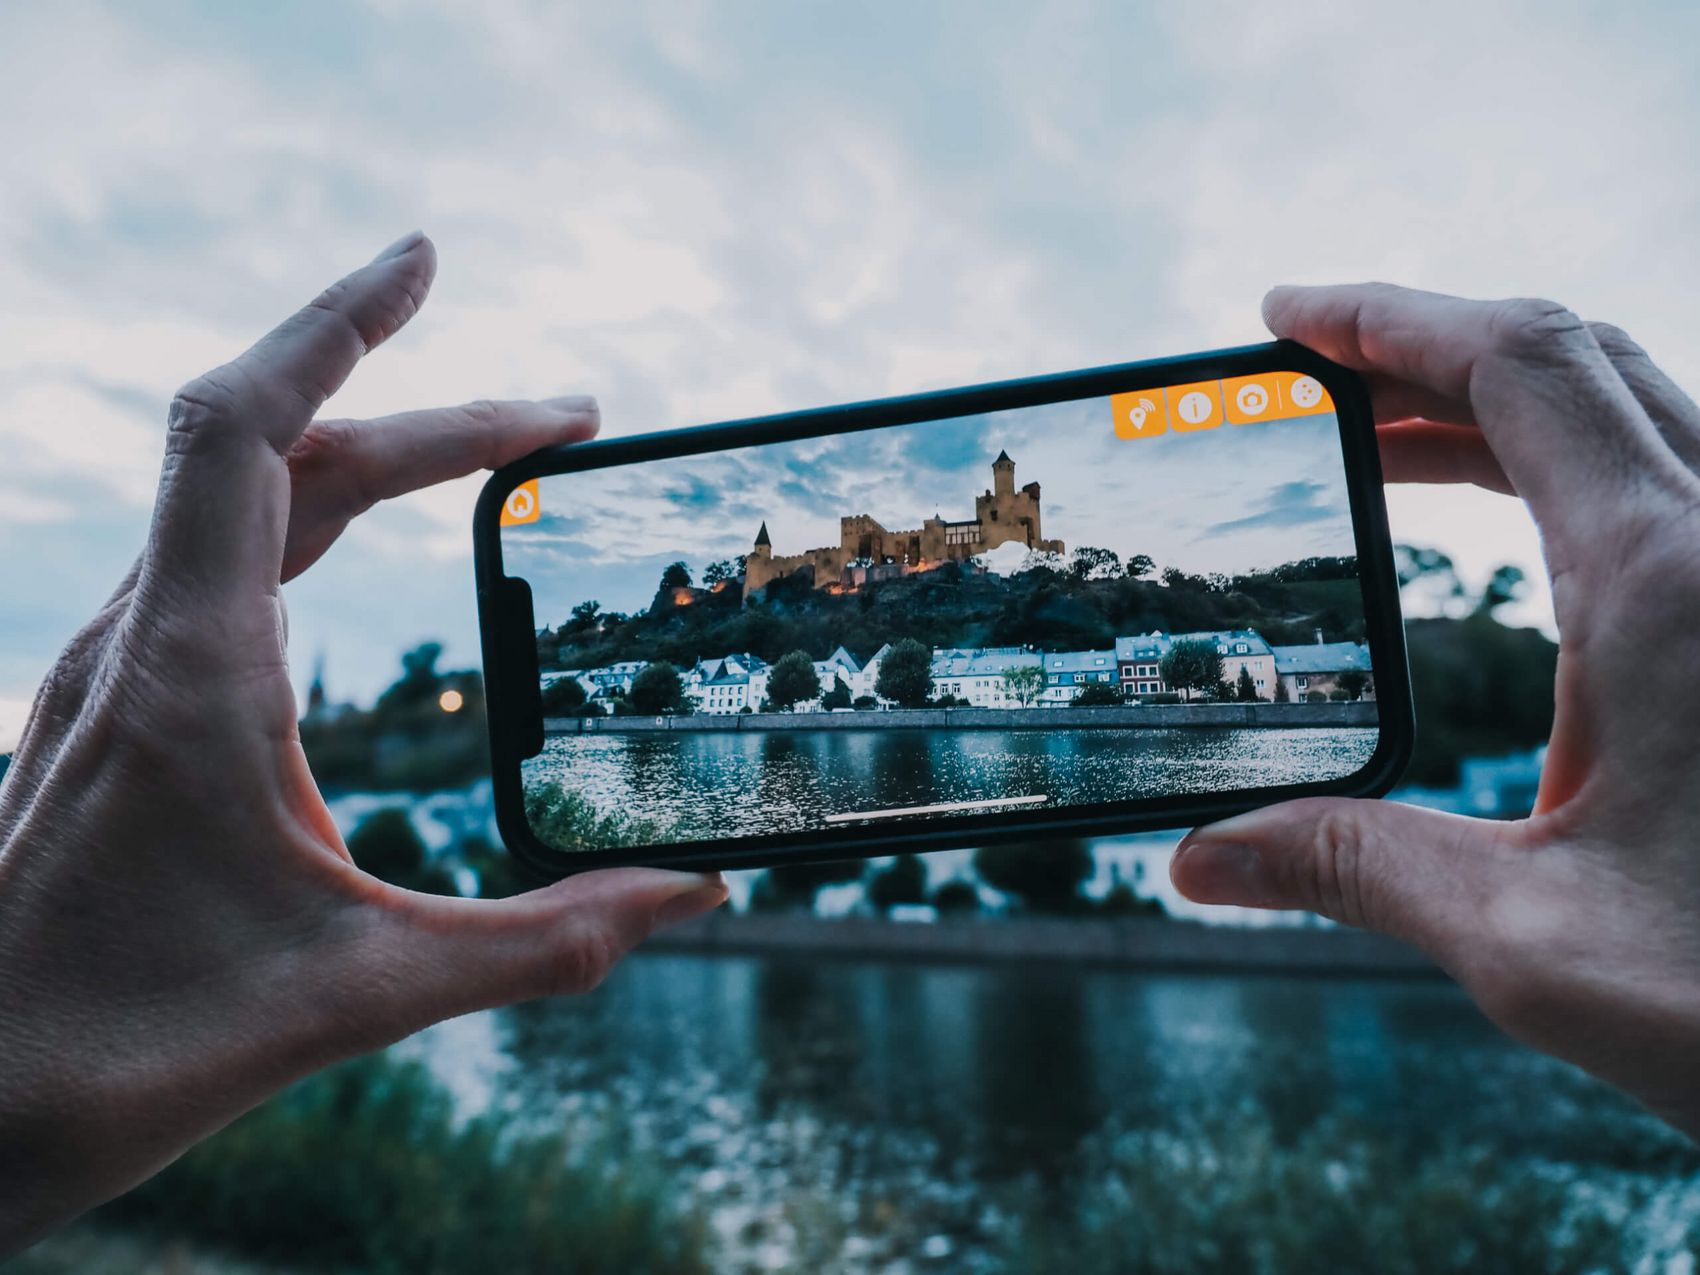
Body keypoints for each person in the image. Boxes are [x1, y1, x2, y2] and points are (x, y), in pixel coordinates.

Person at [0, 236, 1695, 1256]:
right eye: (998, 514)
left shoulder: (978, 550)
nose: (1004, 520)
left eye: (1004, 512)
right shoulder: (843, 569)